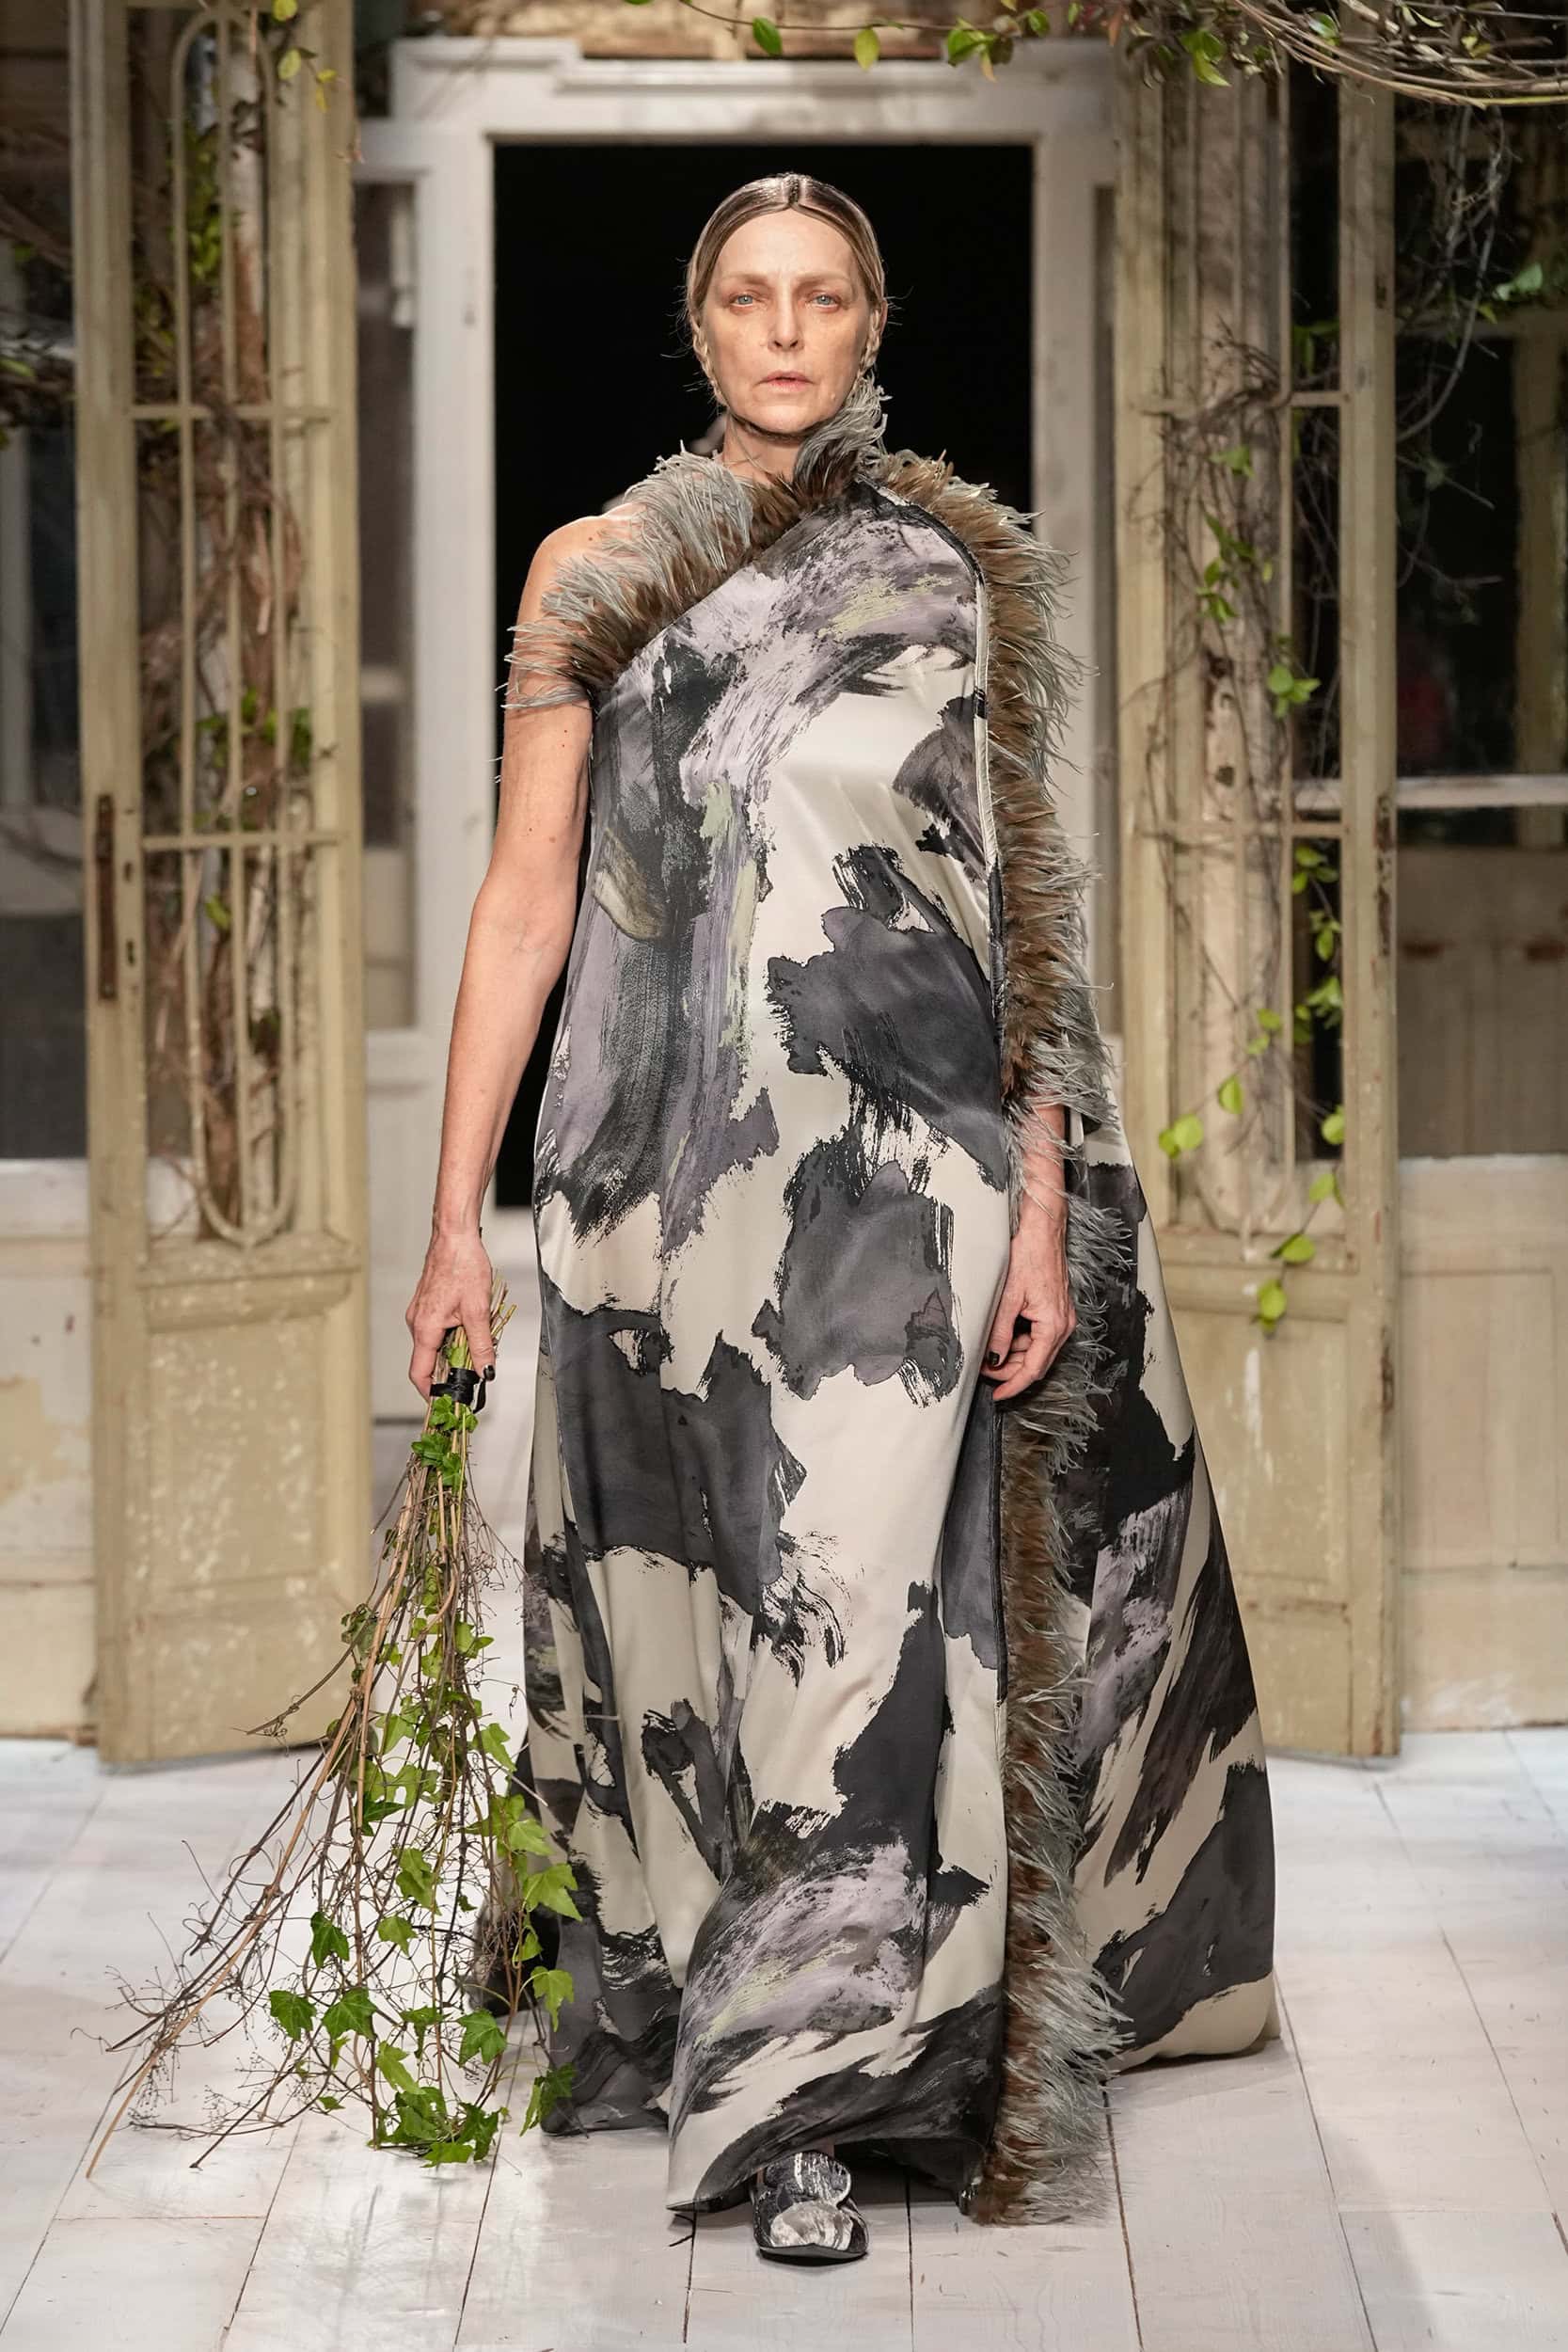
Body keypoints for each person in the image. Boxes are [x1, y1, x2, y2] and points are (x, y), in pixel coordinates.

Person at [404, 173, 1277, 2266]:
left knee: (852, 1610)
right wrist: (455, 1223)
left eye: (822, 296)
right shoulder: (598, 571)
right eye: (749, 296)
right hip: (658, 1191)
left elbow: (1023, 923)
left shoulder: (958, 577)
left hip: (911, 1182)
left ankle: (807, 2109)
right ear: (700, 325)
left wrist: (1041, 1205)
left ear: (874, 321)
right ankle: (714, 2001)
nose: (786, 330)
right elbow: (526, 903)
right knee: (694, 1623)